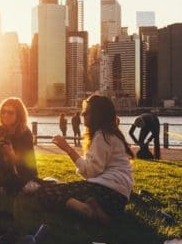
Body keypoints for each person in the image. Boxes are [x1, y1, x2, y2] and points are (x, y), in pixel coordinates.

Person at [44, 95, 134, 224]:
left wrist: (68, 149)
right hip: (119, 197)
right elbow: (94, 172)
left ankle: (88, 212)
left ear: (98, 115)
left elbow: (91, 171)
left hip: (106, 190)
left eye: (86, 112)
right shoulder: (111, 135)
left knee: (47, 192)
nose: (82, 114)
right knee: (64, 189)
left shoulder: (102, 136)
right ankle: (98, 211)